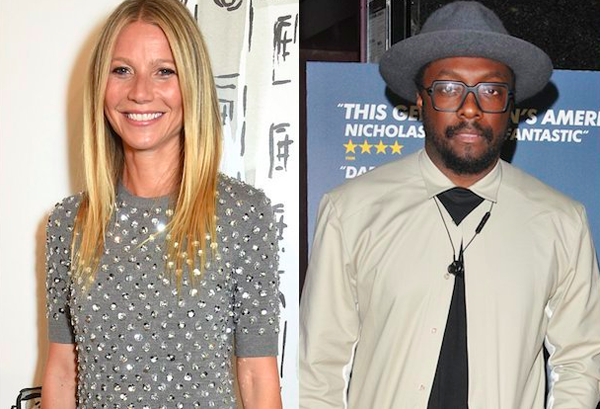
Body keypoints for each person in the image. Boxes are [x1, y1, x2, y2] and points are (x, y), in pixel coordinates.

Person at [300, 2, 600, 408]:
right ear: (420, 99)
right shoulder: (350, 210)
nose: (470, 108)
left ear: (510, 104)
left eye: (491, 90)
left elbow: (580, 360)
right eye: (448, 88)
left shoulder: (561, 221)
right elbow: (319, 366)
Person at [41, 1, 282, 408]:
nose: (140, 92)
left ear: (192, 85)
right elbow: (63, 371)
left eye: (164, 71)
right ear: (100, 84)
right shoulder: (69, 222)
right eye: (122, 70)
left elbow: (258, 377)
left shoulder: (242, 214)